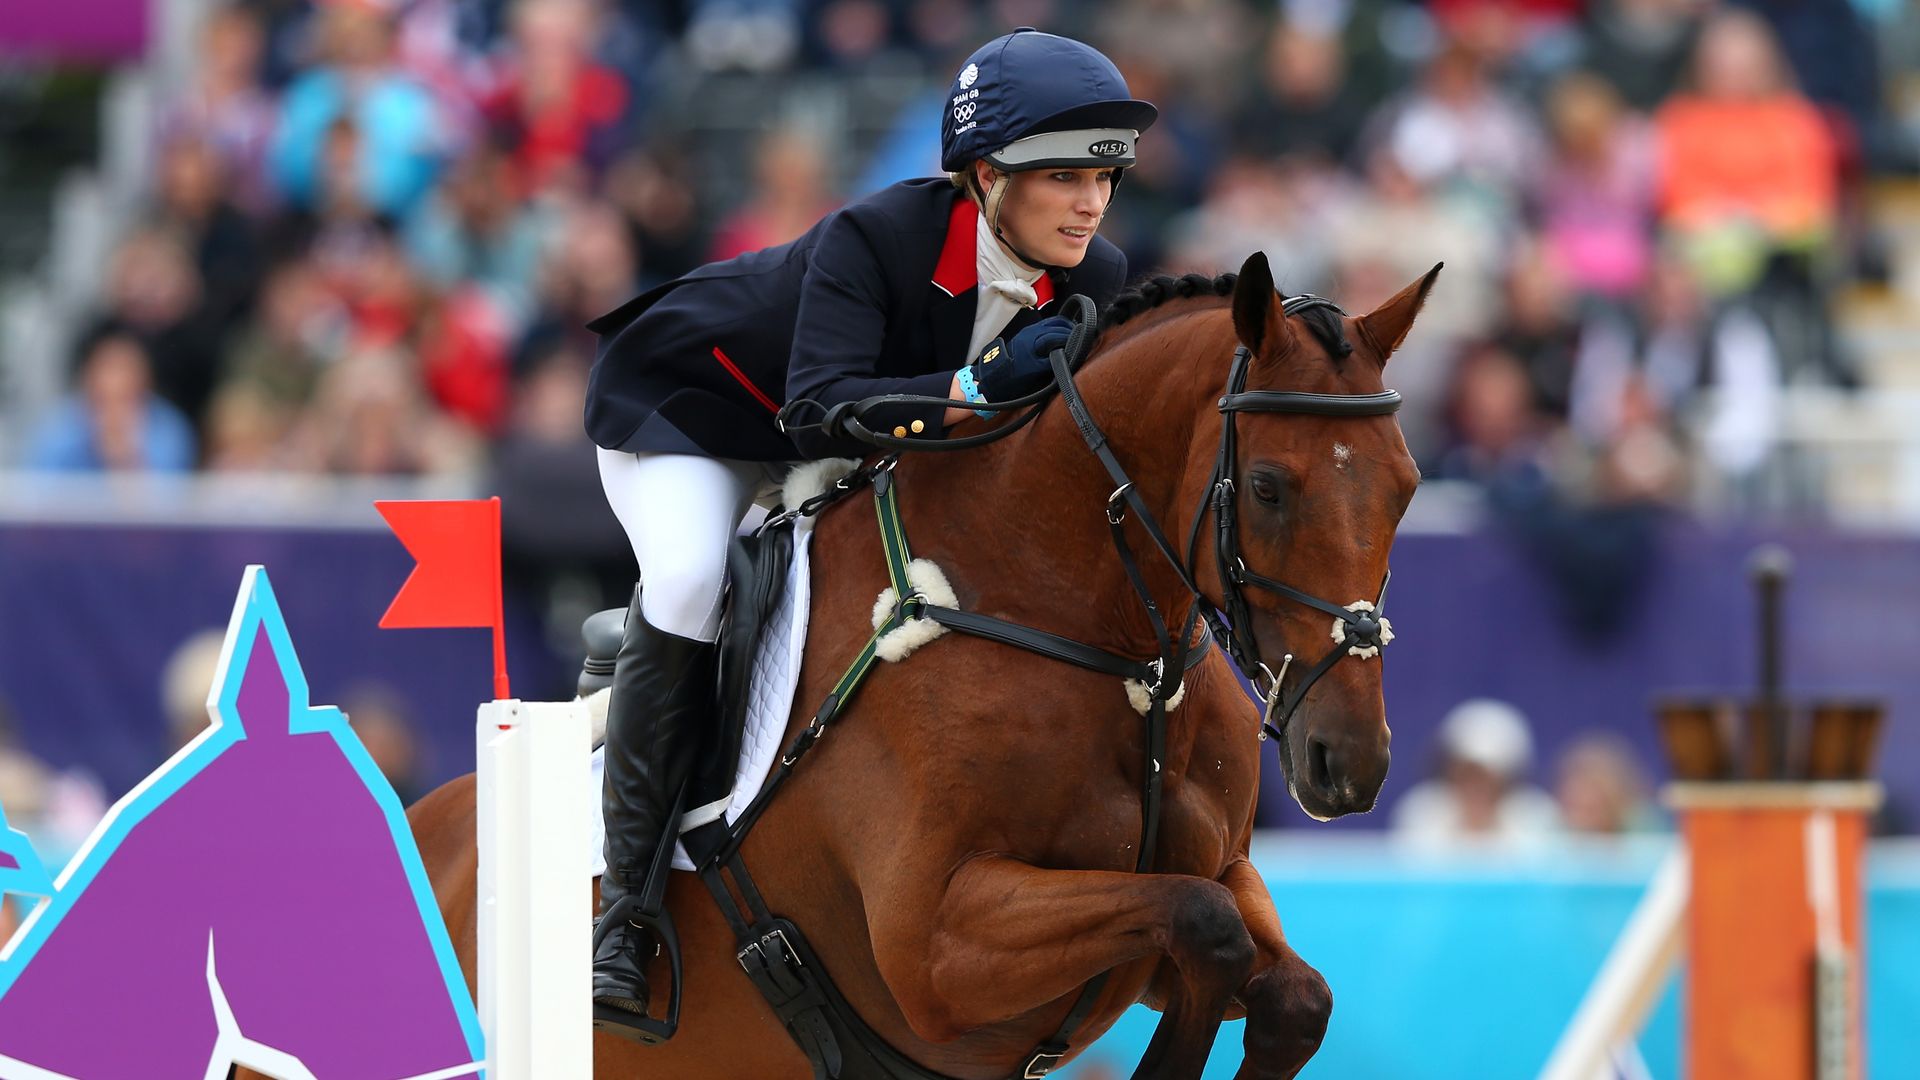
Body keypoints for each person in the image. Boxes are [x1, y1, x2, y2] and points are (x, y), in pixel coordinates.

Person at [581, 28, 1154, 1038]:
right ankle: (624, 914)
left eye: (1102, 176)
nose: (1089, 203)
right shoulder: (875, 238)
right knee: (688, 581)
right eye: (1061, 176)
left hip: (847, 440)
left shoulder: (1095, 271)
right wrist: (975, 389)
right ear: (986, 178)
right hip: (695, 418)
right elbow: (812, 414)